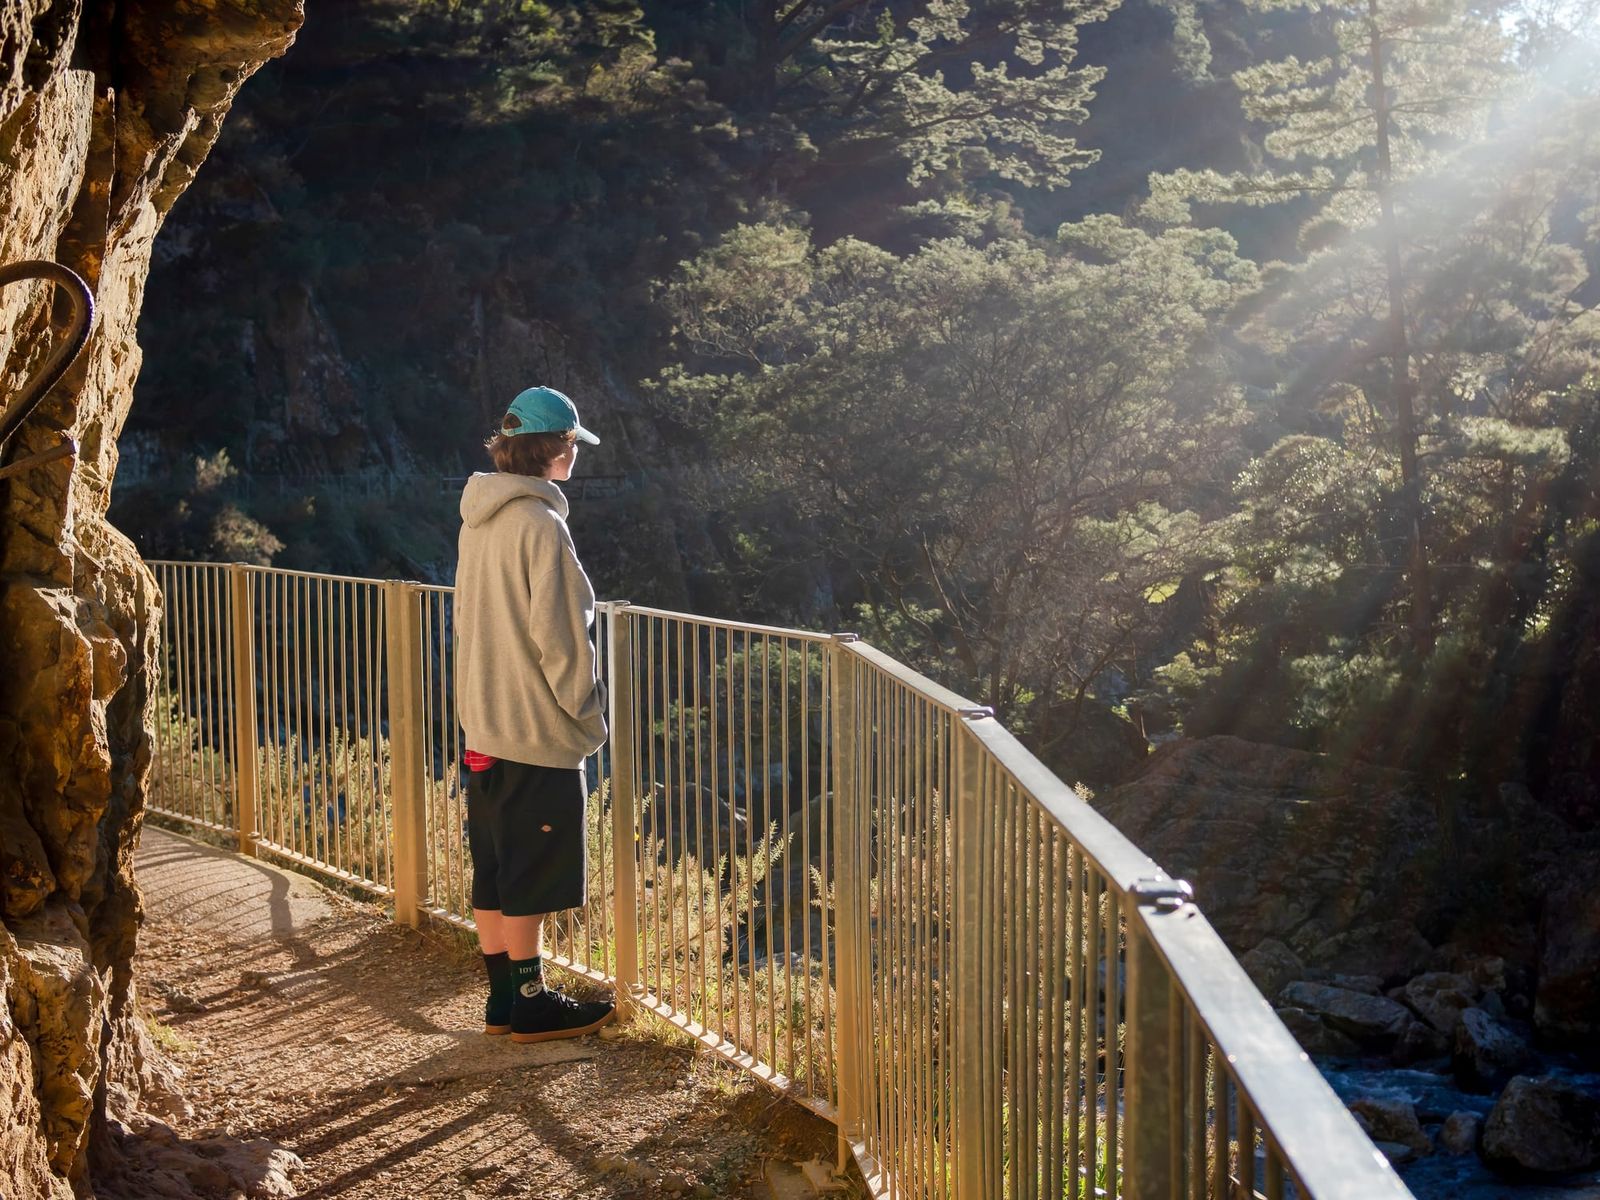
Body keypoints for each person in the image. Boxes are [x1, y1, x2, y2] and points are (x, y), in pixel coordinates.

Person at [455, 384, 615, 1043]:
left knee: (494, 869)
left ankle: (503, 1001)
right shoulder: (541, 525)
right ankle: (532, 1003)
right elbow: (560, 637)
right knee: (530, 875)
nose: (575, 455)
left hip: (485, 724)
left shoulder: (480, 517)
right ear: (555, 449)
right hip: (532, 728)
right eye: (573, 444)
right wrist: (588, 715)